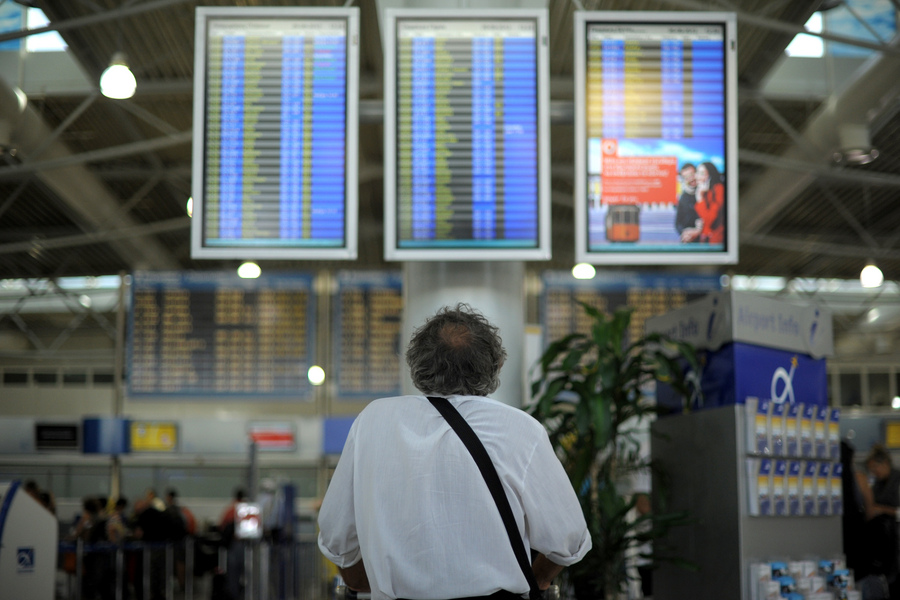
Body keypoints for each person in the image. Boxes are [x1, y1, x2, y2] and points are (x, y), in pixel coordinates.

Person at [318, 304, 591, 600]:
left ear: (414, 364)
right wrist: (534, 583)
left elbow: (337, 538)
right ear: (496, 365)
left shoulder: (373, 421)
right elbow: (568, 539)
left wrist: (362, 587)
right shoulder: (521, 430)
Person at [866, 444, 900, 597]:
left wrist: (880, 509)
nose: (874, 472)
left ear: (885, 463)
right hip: (886, 542)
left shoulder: (897, 480)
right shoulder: (877, 484)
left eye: (875, 468)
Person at [693, 162, 725, 244]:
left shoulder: (719, 190)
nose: (697, 176)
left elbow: (710, 220)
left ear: (710, 176)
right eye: (697, 172)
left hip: (715, 240)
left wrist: (700, 198)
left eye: (702, 174)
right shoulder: (705, 192)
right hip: (707, 240)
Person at [674, 163, 700, 243]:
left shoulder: (707, 193)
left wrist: (697, 232)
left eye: (692, 174)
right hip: (688, 240)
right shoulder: (683, 197)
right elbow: (678, 223)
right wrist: (685, 234)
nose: (690, 179)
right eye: (686, 177)